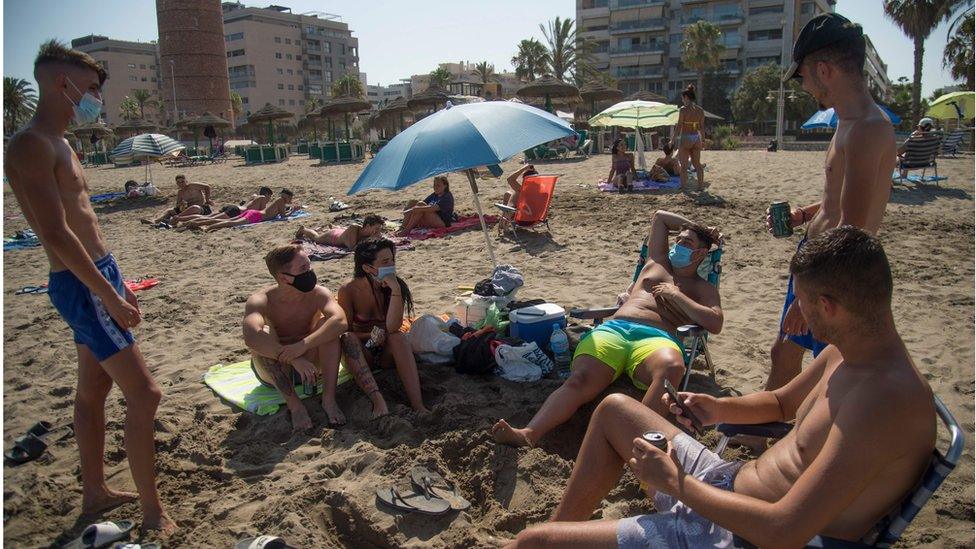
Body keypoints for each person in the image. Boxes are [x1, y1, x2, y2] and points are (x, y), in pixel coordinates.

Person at [508, 227, 935, 549]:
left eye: (799, 302)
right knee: (616, 408)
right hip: (729, 485)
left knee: (532, 542)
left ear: (828, 307)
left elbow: (785, 530)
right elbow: (782, 402)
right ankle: (566, 532)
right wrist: (718, 408)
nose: (795, 316)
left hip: (737, 534)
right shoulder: (849, 352)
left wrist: (677, 484)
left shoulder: (885, 404)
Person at [4, 40, 175, 535]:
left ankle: (95, 491)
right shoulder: (31, 144)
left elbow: (84, 225)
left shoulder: (61, 143)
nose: (96, 98)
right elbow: (54, 232)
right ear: (64, 84)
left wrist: (117, 281)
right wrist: (106, 294)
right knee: (145, 395)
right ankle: (152, 512)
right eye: (94, 90)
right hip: (81, 284)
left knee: (93, 389)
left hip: (98, 274)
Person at [492, 210, 723, 448]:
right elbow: (659, 217)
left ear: (701, 253)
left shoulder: (701, 288)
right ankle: (528, 433)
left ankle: (640, 443)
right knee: (579, 379)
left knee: (671, 368)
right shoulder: (657, 261)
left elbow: (715, 323)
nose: (679, 245)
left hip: (657, 338)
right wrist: (698, 227)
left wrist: (677, 296)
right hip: (616, 328)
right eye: (679, 239)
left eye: (688, 242)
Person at [766, 13, 896, 391]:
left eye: (802, 76)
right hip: (820, 262)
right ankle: (758, 435)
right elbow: (836, 203)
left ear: (823, 70)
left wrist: (809, 296)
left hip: (838, 275)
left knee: (830, 371)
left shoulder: (869, 129)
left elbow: (852, 233)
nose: (804, 85)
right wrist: (804, 214)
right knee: (785, 353)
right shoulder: (847, 122)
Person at [243, 244, 388, 432]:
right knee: (264, 334)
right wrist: (293, 357)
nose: (310, 272)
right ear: (284, 277)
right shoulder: (262, 299)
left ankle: (329, 399)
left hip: (312, 365)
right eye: (303, 268)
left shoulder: (318, 293)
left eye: (309, 265)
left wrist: (303, 346)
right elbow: (250, 336)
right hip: (276, 369)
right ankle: (295, 407)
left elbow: (340, 321)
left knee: (330, 328)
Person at [337, 239, 430, 413]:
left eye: (393, 260)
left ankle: (418, 404)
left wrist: (395, 290)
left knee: (398, 337)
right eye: (385, 262)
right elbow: (344, 333)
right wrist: (369, 336)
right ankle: (377, 401)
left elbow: (393, 327)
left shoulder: (395, 286)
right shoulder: (348, 290)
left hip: (387, 350)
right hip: (363, 352)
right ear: (367, 268)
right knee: (349, 339)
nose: (392, 266)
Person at [202, 189, 298, 232]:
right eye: (291, 198)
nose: (291, 200)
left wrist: (291, 210)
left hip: (253, 213)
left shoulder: (280, 201)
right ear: (288, 197)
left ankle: (203, 223)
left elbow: (282, 214)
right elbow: (283, 216)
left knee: (229, 221)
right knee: (230, 223)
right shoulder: (281, 201)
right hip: (256, 216)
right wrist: (293, 211)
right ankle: (208, 228)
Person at [139, 174, 213, 226]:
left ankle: (174, 220)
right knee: (170, 210)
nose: (181, 184)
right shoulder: (180, 192)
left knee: (194, 207)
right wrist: (181, 204)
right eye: (179, 182)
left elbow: (207, 187)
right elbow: (177, 205)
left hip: (201, 208)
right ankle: (155, 221)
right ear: (176, 183)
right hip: (188, 210)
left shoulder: (193, 186)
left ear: (186, 181)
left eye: (182, 181)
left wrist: (207, 199)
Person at [672, 84, 706, 192]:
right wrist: (704, 140)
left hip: (686, 137)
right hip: (696, 138)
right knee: (697, 164)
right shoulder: (700, 110)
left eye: (683, 98)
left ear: (686, 97)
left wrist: (672, 139)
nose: (682, 100)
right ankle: (700, 187)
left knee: (684, 165)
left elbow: (679, 126)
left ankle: (683, 187)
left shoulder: (683, 110)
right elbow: (701, 127)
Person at [295, 214, 385, 249]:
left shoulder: (371, 233)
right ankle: (304, 230)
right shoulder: (354, 228)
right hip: (334, 236)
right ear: (368, 226)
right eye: (376, 228)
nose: (378, 231)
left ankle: (333, 226)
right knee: (316, 238)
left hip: (342, 232)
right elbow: (352, 248)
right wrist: (371, 238)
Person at [497, 164, 538, 232]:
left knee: (516, 193)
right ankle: (504, 219)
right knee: (508, 194)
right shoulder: (541, 191)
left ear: (525, 180)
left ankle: (505, 220)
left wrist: (524, 168)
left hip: (523, 221)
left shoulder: (523, 191)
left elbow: (510, 179)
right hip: (536, 219)